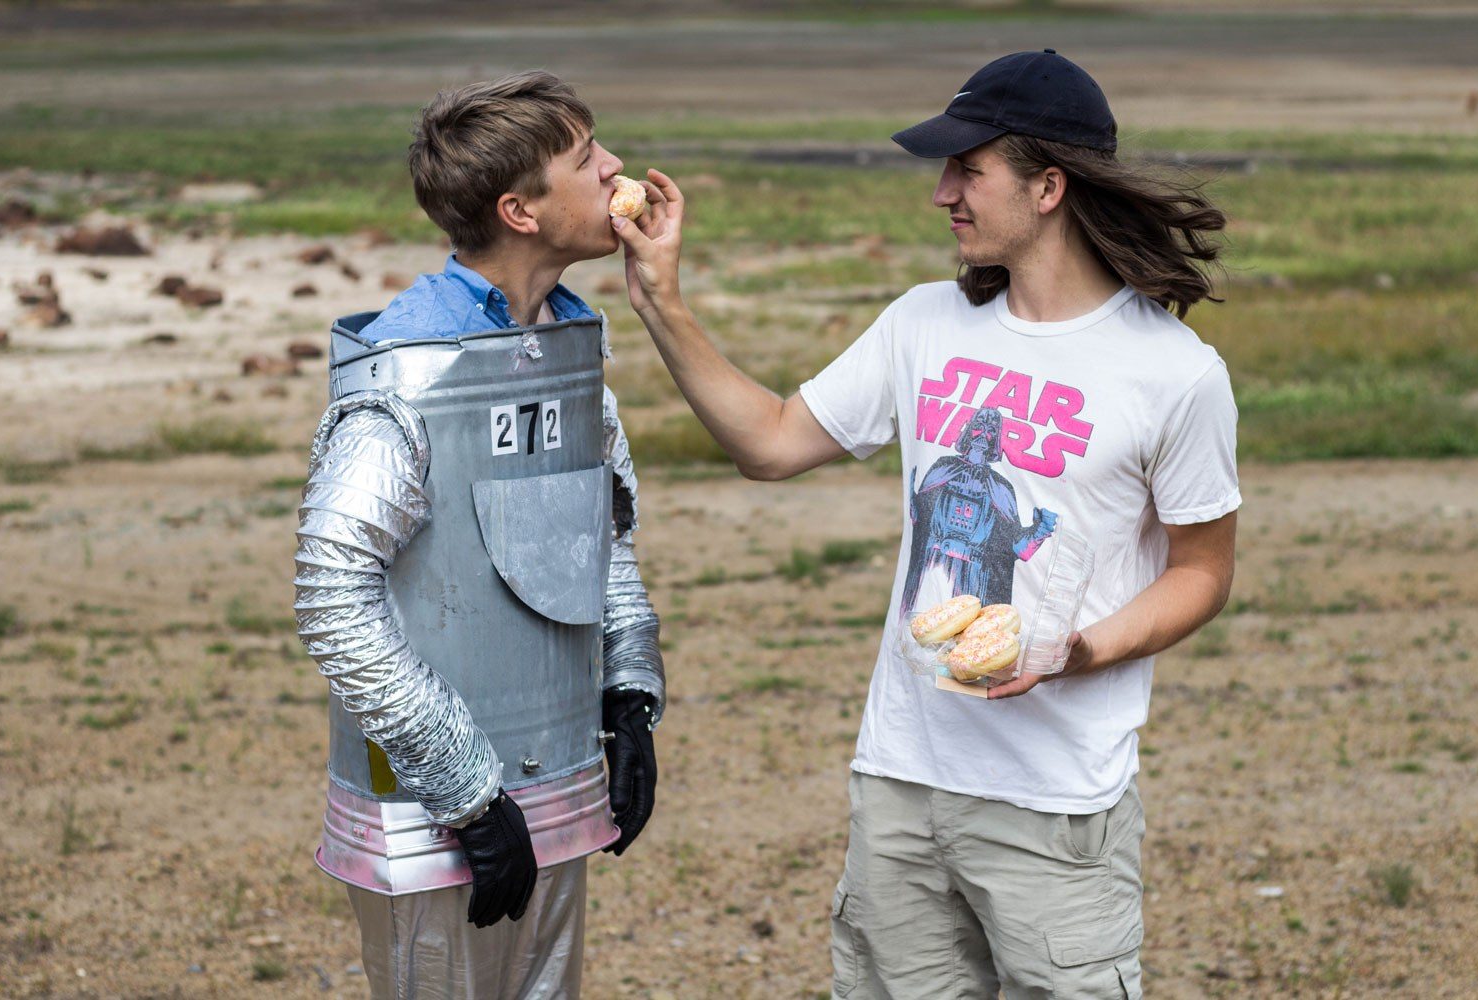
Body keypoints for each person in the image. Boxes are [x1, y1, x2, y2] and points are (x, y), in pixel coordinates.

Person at [612, 50, 1238, 999]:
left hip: (1054, 803)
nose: (942, 192)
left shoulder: (1175, 374)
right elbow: (772, 443)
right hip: (901, 781)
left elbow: (1203, 571)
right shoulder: (923, 323)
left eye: (968, 169)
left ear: (1049, 187)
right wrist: (661, 296)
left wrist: (1076, 650)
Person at [292, 71, 666, 998]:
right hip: (430, 811)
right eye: (587, 158)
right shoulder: (406, 374)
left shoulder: (570, 348)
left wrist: (628, 692)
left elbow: (599, 534)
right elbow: (334, 594)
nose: (616, 167)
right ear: (520, 211)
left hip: (554, 774)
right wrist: (461, 786)